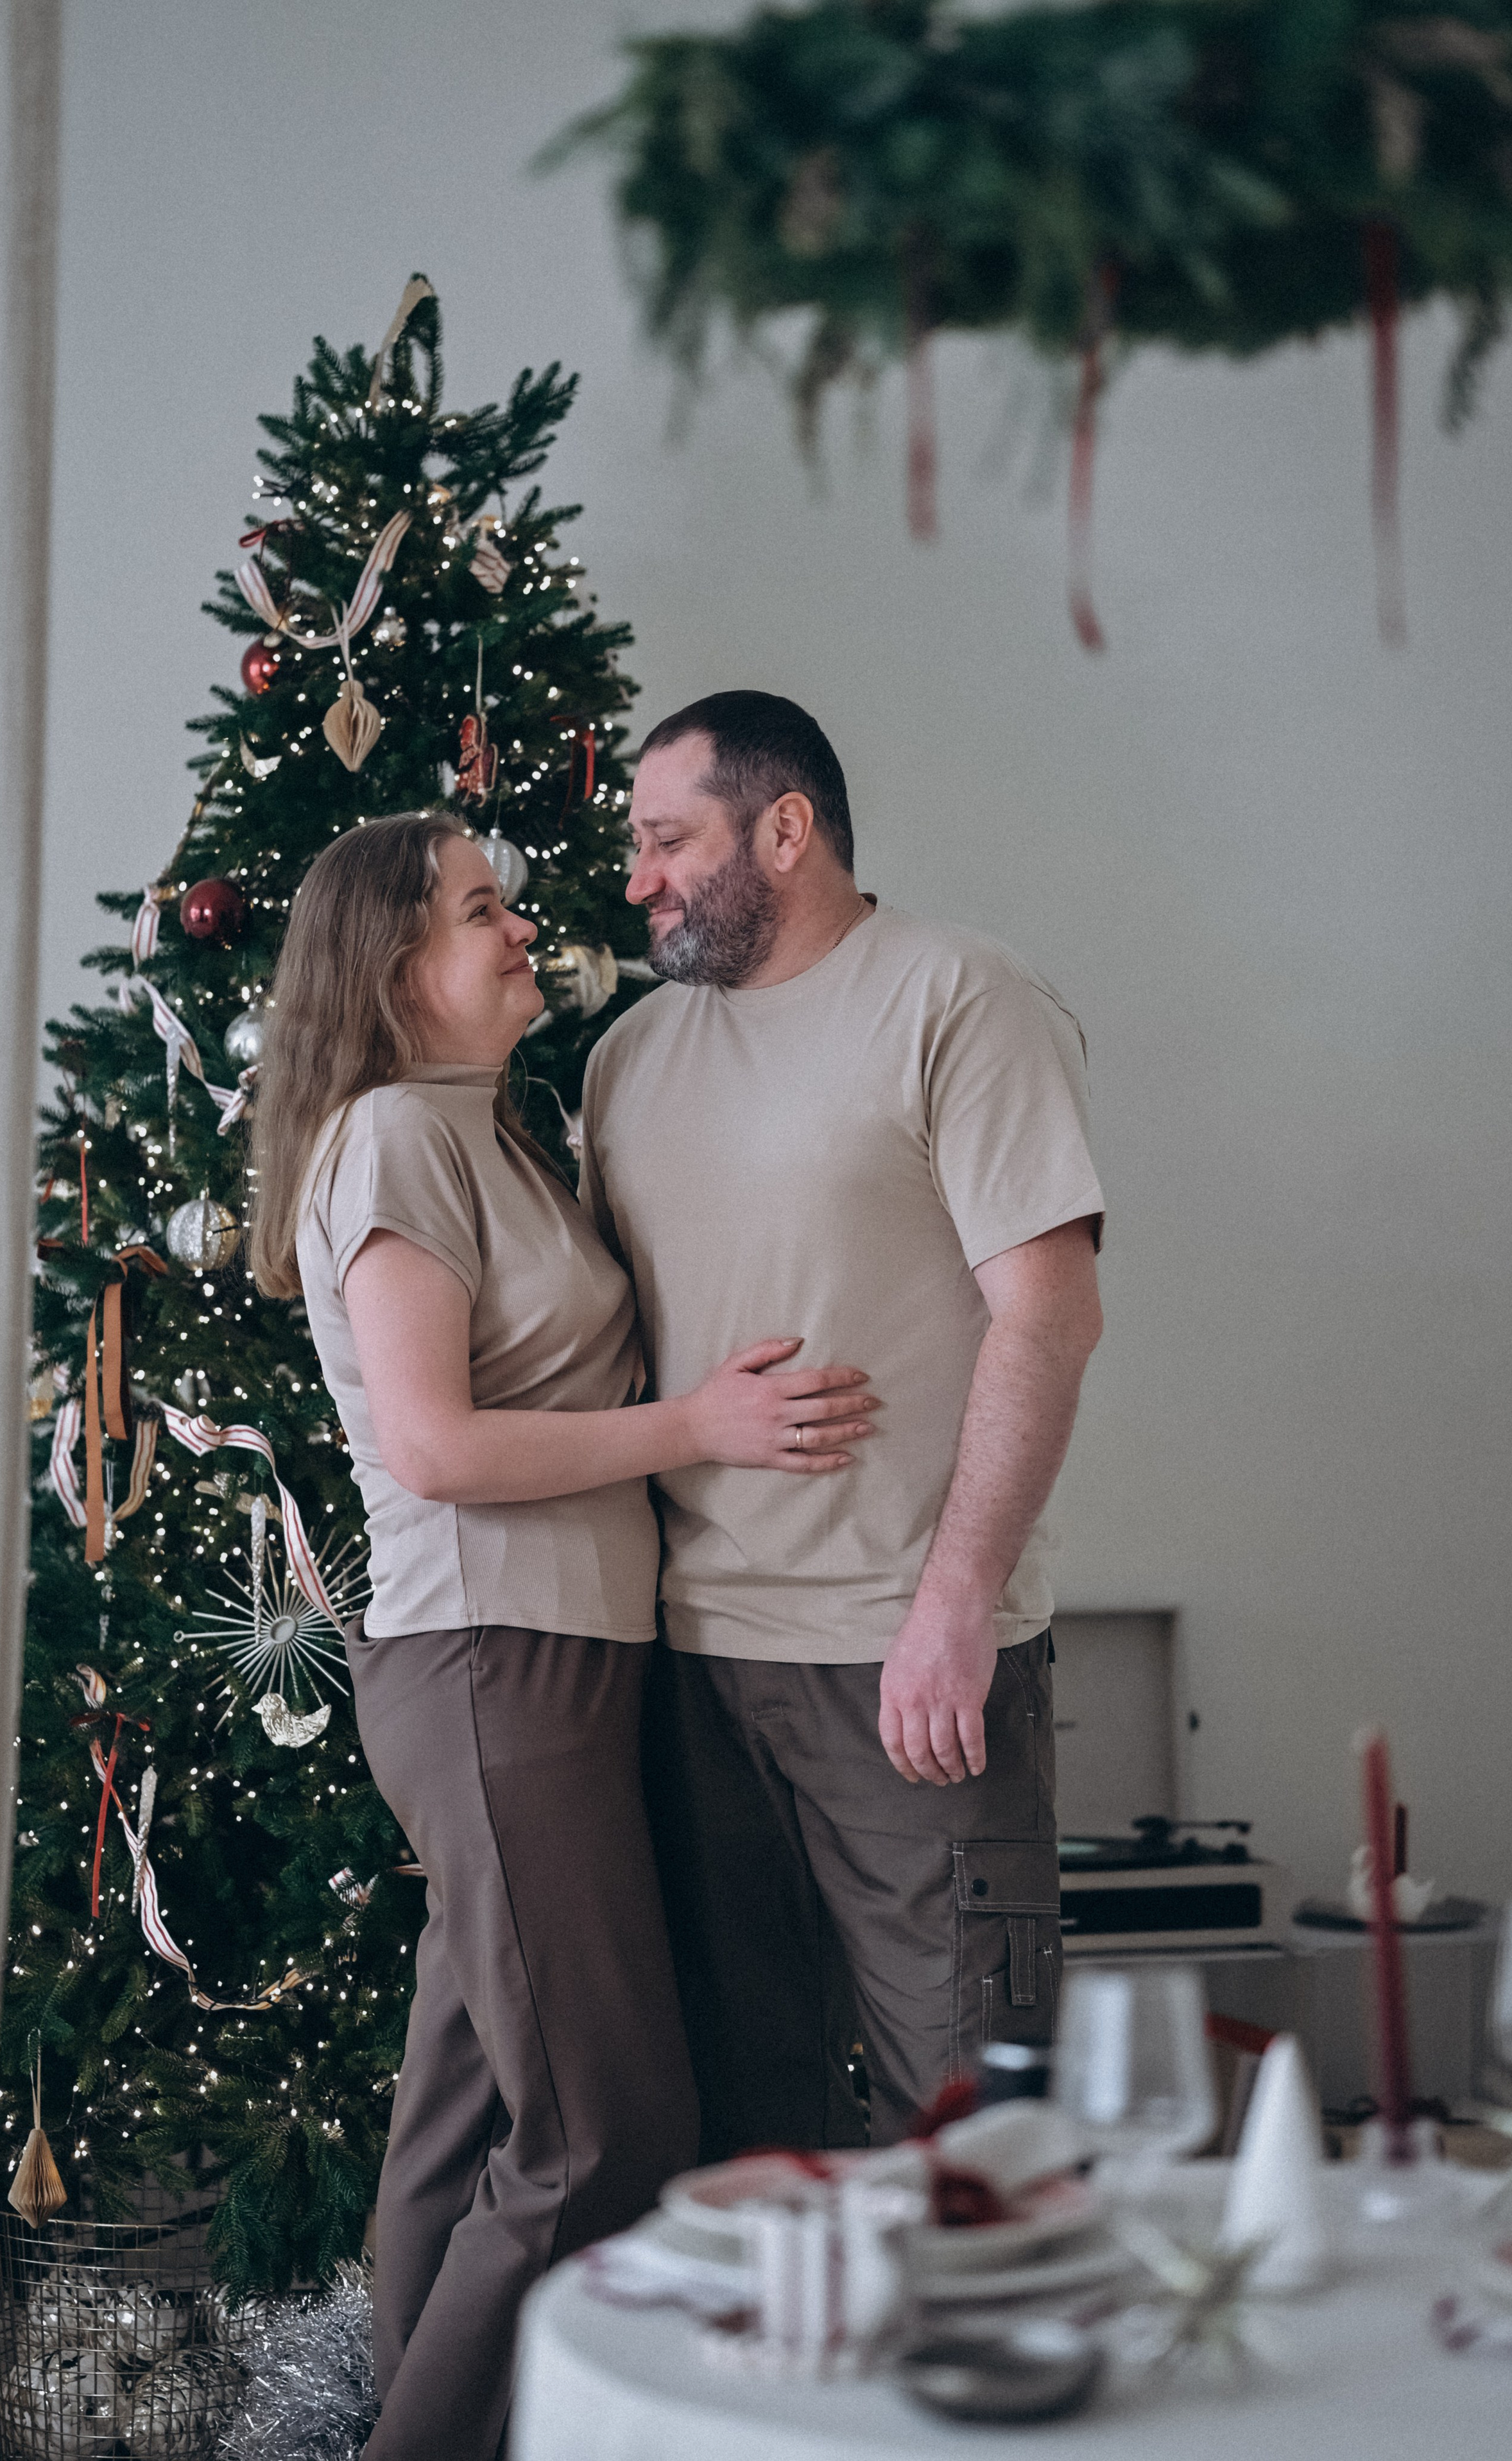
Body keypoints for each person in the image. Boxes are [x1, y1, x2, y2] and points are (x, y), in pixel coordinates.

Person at [248, 811, 879, 2461]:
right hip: (487, 1665)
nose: (524, 931)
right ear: (394, 969)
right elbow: (436, 1444)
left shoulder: (491, 1126)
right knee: (604, 2131)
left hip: (549, 1665)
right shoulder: (393, 1137)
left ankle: (447, 2412)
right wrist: (702, 1428)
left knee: (464, 2120)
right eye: (481, 911)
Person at [581, 692, 1106, 2157]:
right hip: (690, 1668)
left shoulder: (958, 996)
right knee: (749, 2129)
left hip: (909, 1667)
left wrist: (953, 1603)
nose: (639, 877)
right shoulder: (625, 1059)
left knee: (966, 2126)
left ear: (785, 829)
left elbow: (1049, 1314)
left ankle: (958, 2388)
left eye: (668, 839)